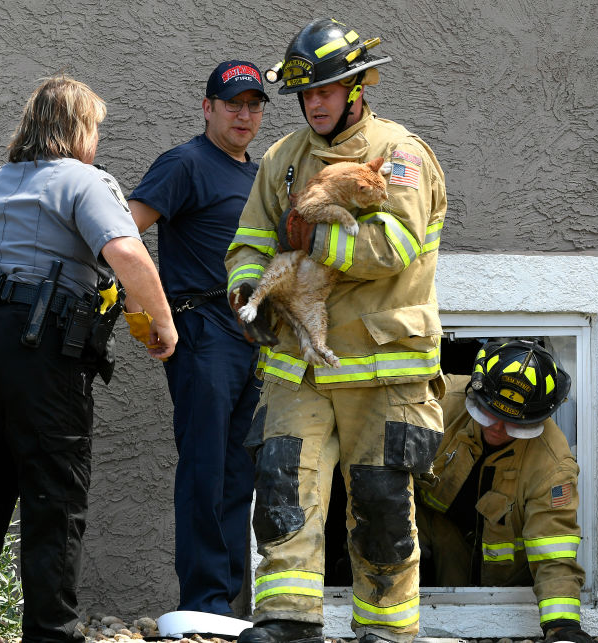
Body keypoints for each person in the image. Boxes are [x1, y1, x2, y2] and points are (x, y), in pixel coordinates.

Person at [0, 75, 176, 643]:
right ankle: (52, 633)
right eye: (96, 129)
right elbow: (127, 252)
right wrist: (162, 321)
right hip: (37, 343)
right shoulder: (85, 180)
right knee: (53, 494)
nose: (98, 141)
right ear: (79, 128)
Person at [225, 17, 448, 643]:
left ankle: (385, 630)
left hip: (383, 367)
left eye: (326, 91)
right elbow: (248, 242)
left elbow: (393, 246)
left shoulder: (400, 154)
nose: (314, 104)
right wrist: (248, 288)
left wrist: (313, 240)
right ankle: (286, 622)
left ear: (357, 87)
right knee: (281, 490)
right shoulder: (282, 159)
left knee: (381, 506)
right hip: (298, 361)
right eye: (306, 94)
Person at [124, 59, 268, 617]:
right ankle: (203, 601)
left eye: (254, 105)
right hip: (202, 329)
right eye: (233, 103)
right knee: (206, 468)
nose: (244, 114)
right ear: (207, 107)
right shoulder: (184, 163)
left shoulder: (257, 176)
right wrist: (146, 310)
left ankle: (225, 607)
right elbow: (123, 233)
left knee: (239, 473)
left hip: (251, 337)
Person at [415, 340, 596, 643]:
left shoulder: (552, 465)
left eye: (512, 422)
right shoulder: (440, 403)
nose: (497, 428)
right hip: (436, 525)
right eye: (488, 413)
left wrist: (562, 626)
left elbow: (554, 549)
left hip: (498, 576)